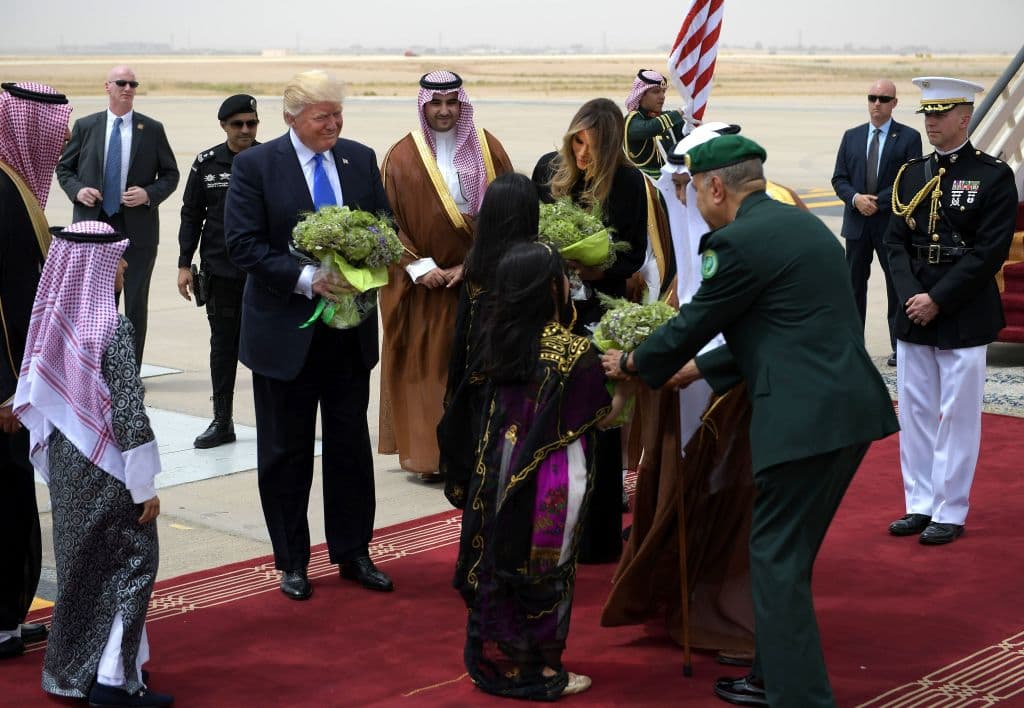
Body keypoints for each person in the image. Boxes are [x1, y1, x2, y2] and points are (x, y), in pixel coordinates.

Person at [603, 134, 899, 707]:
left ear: (717, 187)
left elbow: (693, 322)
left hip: (801, 422)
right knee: (787, 558)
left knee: (775, 560)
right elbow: (785, 326)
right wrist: (701, 370)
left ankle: (800, 697)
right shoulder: (804, 227)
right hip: (849, 412)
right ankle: (771, 674)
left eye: (695, 191)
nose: (693, 202)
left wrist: (637, 362)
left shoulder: (736, 244)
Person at [224, 70, 393, 600]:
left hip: (348, 335)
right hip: (284, 336)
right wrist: (307, 279)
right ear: (291, 118)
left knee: (349, 449)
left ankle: (353, 552)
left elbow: (384, 225)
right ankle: (292, 560)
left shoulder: (360, 159)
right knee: (285, 452)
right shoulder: (255, 166)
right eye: (323, 116)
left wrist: (370, 258)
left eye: (338, 114)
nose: (334, 124)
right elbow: (242, 245)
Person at [449, 241, 626, 700]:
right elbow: (601, 416)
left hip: (498, 467)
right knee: (545, 566)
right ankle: (543, 671)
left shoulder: (495, 337)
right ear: (551, 288)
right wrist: (628, 387)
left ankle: (505, 654)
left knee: (499, 554)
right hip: (551, 475)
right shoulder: (573, 352)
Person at [14, 220, 170, 707]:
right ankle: (112, 682)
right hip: (108, 470)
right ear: (98, 266)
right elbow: (127, 410)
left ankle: (69, 672)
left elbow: (39, 401)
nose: (124, 265)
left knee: (82, 570)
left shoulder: (53, 322)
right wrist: (143, 485)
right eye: (118, 258)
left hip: (66, 461)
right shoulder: (113, 325)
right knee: (133, 565)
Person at [885, 76, 1017, 546]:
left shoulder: (992, 175)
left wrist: (938, 299)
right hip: (914, 306)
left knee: (957, 415)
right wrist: (910, 297)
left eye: (941, 114)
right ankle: (919, 503)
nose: (932, 122)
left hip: (962, 309)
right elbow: (894, 243)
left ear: (965, 117)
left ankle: (950, 507)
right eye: (928, 114)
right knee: (916, 412)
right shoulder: (912, 173)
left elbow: (988, 253)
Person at [379, 70, 513, 481]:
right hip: (425, 287)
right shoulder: (401, 156)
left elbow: (510, 213)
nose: (444, 111)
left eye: (452, 103)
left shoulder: (489, 149)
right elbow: (386, 222)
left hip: (478, 281)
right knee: (429, 372)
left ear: (462, 104)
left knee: (481, 371)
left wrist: (471, 265)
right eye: (435, 103)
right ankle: (431, 457)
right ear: (423, 105)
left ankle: (479, 455)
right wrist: (420, 267)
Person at [532, 97, 650, 564]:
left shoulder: (627, 180)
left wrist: (596, 268)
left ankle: (598, 536)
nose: (583, 154)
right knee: (555, 417)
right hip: (555, 312)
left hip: (602, 312)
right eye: (578, 142)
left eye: (594, 146)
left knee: (601, 419)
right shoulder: (548, 169)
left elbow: (634, 253)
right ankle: (550, 527)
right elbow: (532, 234)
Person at [0, 81, 72, 660]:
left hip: (16, 378)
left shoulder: (14, 185)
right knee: (4, 505)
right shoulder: (1, 191)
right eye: (55, 128)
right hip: (4, 388)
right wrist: (7, 391)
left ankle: (7, 613)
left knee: (15, 501)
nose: (63, 139)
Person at [56, 65, 179, 370]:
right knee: (98, 302)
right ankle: (96, 369)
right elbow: (64, 169)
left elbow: (171, 174)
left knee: (135, 302)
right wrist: (78, 190)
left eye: (133, 83)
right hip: (95, 227)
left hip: (137, 229)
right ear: (107, 86)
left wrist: (149, 194)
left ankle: (129, 373)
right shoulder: (86, 126)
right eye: (121, 83)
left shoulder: (151, 129)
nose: (128, 88)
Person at [438, 172, 540, 508]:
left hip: (480, 381)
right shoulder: (537, 261)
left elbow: (464, 330)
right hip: (525, 385)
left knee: (486, 477)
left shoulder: (475, 263)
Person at [177, 94, 260, 449]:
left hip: (264, 274)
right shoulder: (206, 163)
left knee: (268, 349)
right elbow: (191, 214)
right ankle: (222, 421)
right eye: (237, 124)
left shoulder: (269, 159)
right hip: (221, 274)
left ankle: (274, 419)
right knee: (223, 347)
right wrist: (184, 264)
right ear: (223, 125)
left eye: (251, 123)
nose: (245, 130)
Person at [832, 79, 922, 366]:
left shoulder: (908, 137)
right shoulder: (852, 136)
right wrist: (856, 199)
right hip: (857, 225)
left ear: (895, 103)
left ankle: (900, 346)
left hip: (890, 226)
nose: (876, 104)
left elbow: (910, 179)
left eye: (884, 99)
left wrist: (878, 202)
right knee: (853, 286)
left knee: (897, 285)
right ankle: (854, 346)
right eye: (872, 97)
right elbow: (839, 178)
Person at [623, 69, 687, 177]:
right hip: (643, 186)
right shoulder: (632, 121)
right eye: (656, 92)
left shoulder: (668, 118)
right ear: (641, 95)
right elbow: (650, 128)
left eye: (663, 91)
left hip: (671, 183)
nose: (662, 96)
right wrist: (681, 112)